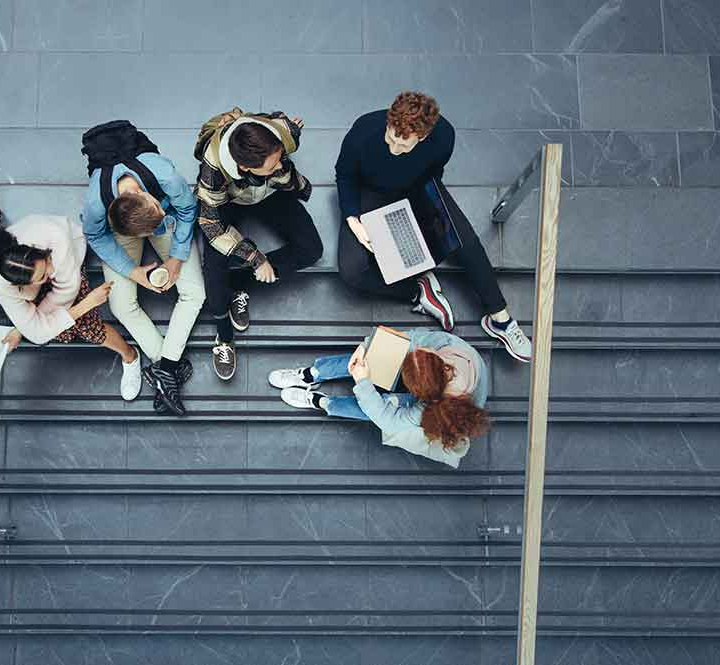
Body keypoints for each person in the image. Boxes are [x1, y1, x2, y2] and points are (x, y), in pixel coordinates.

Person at [335, 91, 533, 363]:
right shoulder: (365, 129)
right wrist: (353, 219)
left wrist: (425, 208)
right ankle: (418, 291)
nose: (394, 148)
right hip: (370, 192)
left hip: (415, 188)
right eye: (391, 137)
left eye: (404, 146)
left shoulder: (443, 137)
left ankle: (500, 318)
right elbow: (344, 174)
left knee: (463, 239)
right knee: (351, 271)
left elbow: (433, 173)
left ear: (424, 137)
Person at [193, 107, 324, 380]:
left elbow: (284, 130)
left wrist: (291, 131)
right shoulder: (213, 170)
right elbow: (212, 225)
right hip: (229, 201)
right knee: (214, 274)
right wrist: (256, 257)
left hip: (269, 192)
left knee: (312, 249)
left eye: (280, 157)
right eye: (273, 163)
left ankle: (239, 285)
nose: (281, 164)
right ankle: (224, 336)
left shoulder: (276, 134)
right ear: (244, 167)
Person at [82, 152, 206, 416]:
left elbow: (187, 209)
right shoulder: (96, 205)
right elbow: (94, 234)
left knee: (194, 292)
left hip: (169, 217)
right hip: (122, 231)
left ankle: (165, 371)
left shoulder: (166, 178)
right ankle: (168, 369)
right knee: (121, 306)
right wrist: (133, 272)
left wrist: (176, 257)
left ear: (146, 195)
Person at [268, 328, 490, 468]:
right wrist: (365, 348)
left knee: (375, 409)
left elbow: (387, 419)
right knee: (372, 360)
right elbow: (410, 339)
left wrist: (363, 382)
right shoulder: (447, 346)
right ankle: (311, 375)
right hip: (435, 386)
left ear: (424, 397)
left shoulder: (435, 412)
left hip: (436, 415)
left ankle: (322, 402)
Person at [0, 215, 142, 399]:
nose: (50, 273)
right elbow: (37, 333)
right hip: (38, 282)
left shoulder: (55, 239)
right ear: (19, 285)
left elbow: (65, 292)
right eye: (42, 277)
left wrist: (85, 304)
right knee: (61, 326)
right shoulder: (0, 284)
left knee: (85, 325)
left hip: (69, 258)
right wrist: (27, 326)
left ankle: (130, 355)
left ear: (37, 250)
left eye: (45, 265)